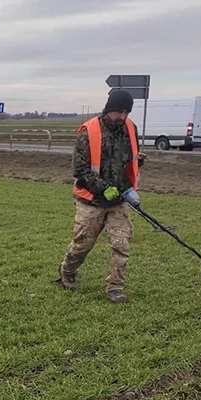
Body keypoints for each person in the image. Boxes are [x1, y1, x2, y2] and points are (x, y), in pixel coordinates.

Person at [57, 89, 146, 303]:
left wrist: (138, 161)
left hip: (120, 199)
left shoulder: (130, 128)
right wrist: (103, 187)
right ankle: (67, 271)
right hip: (92, 200)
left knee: (121, 245)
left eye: (127, 112)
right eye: (119, 112)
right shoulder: (89, 131)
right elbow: (80, 170)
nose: (123, 117)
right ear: (109, 109)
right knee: (82, 244)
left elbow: (129, 158)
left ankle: (115, 288)